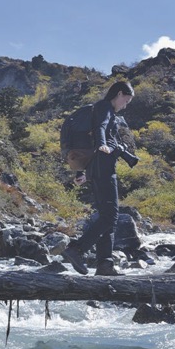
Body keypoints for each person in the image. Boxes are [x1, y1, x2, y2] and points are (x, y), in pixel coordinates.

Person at [62, 81, 137, 276]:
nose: (126, 105)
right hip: (103, 167)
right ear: (119, 94)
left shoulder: (102, 110)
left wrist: (81, 172)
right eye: (126, 100)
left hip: (96, 167)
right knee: (110, 215)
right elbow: (100, 129)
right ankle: (77, 249)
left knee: (108, 217)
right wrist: (104, 145)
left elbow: (86, 142)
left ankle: (105, 265)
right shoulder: (104, 107)